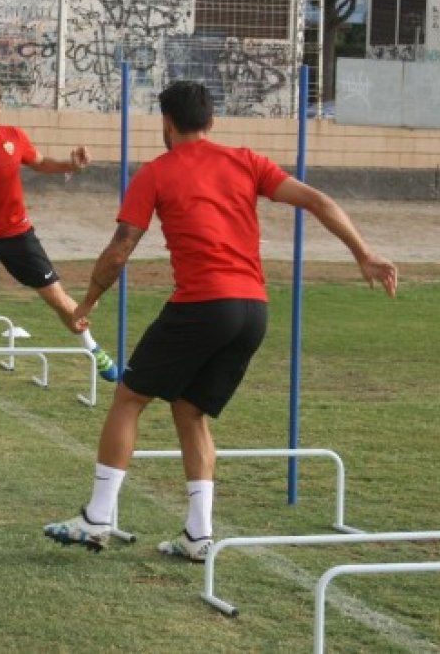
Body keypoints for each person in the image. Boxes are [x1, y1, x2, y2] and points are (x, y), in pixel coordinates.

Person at [43, 81, 399, 561]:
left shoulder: (155, 172)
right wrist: (365, 253)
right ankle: (198, 535)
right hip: (253, 313)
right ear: (211, 122)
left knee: (129, 397)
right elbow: (318, 200)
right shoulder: (246, 161)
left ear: (166, 124)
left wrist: (86, 302)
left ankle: (98, 518)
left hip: (203, 305)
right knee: (190, 411)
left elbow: (121, 248)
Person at [0, 76, 118, 396]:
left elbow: (41, 163)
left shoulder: (14, 137)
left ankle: (94, 349)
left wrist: (70, 164)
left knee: (59, 301)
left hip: (18, 234)